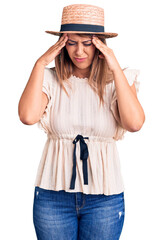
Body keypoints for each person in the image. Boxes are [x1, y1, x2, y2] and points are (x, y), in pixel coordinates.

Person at [18, 4, 145, 240]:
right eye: (71, 42)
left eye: (87, 43)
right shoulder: (49, 79)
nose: (79, 51)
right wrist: (39, 63)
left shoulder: (119, 80)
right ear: (61, 44)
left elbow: (135, 123)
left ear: (100, 46)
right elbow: (27, 116)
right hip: (52, 196)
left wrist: (114, 65)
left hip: (105, 199)